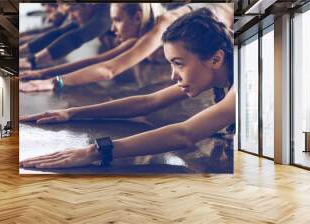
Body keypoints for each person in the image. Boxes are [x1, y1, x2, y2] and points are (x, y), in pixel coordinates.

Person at [19, 8, 235, 169]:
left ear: (216, 59)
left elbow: (184, 134)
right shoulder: (211, 71)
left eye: (179, 63)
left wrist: (96, 151)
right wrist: (70, 113)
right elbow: (148, 102)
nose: (172, 75)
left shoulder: (243, 83)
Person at [19, 3, 232, 93]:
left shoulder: (162, 26)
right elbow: (102, 60)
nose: (112, 28)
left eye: (117, 20)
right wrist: (39, 74)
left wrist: (55, 83)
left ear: (137, 17)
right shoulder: (143, 32)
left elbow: (109, 71)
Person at [19, 3, 111, 71]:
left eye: (72, 10)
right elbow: (59, 32)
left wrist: (32, 61)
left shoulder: (104, 15)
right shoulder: (92, 10)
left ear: (89, 4)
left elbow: (75, 38)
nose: (70, 17)